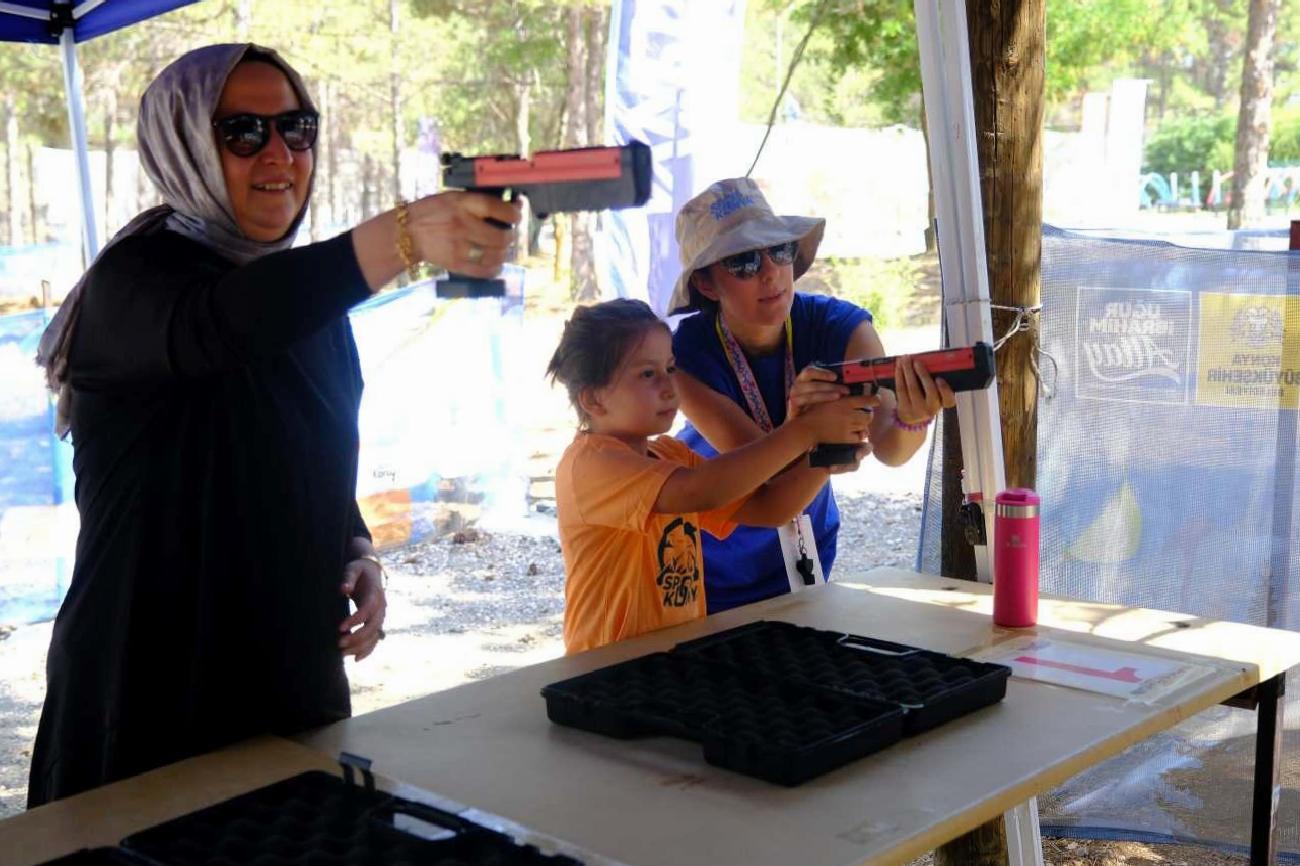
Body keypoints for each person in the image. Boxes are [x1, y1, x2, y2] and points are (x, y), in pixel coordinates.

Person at [27, 43, 522, 807]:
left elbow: (305, 440)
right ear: (184, 145)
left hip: (287, 673)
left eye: (298, 128)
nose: (280, 154)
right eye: (242, 131)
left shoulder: (307, 294)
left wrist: (354, 546)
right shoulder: (133, 282)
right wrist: (404, 237)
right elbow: (223, 327)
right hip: (150, 685)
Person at [668, 177, 955, 614]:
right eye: (744, 261)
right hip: (709, 567)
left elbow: (891, 449)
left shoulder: (842, 326)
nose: (770, 272)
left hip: (805, 555)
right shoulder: (685, 354)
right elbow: (765, 478)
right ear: (707, 284)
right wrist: (810, 427)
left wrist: (914, 418)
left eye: (779, 250)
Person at [546, 299, 874, 654]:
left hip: (670, 661)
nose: (669, 386)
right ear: (594, 400)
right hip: (604, 669)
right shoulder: (590, 464)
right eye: (647, 374)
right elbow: (701, 491)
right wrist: (805, 431)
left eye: (670, 368)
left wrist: (823, 456)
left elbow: (769, 508)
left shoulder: (669, 456)